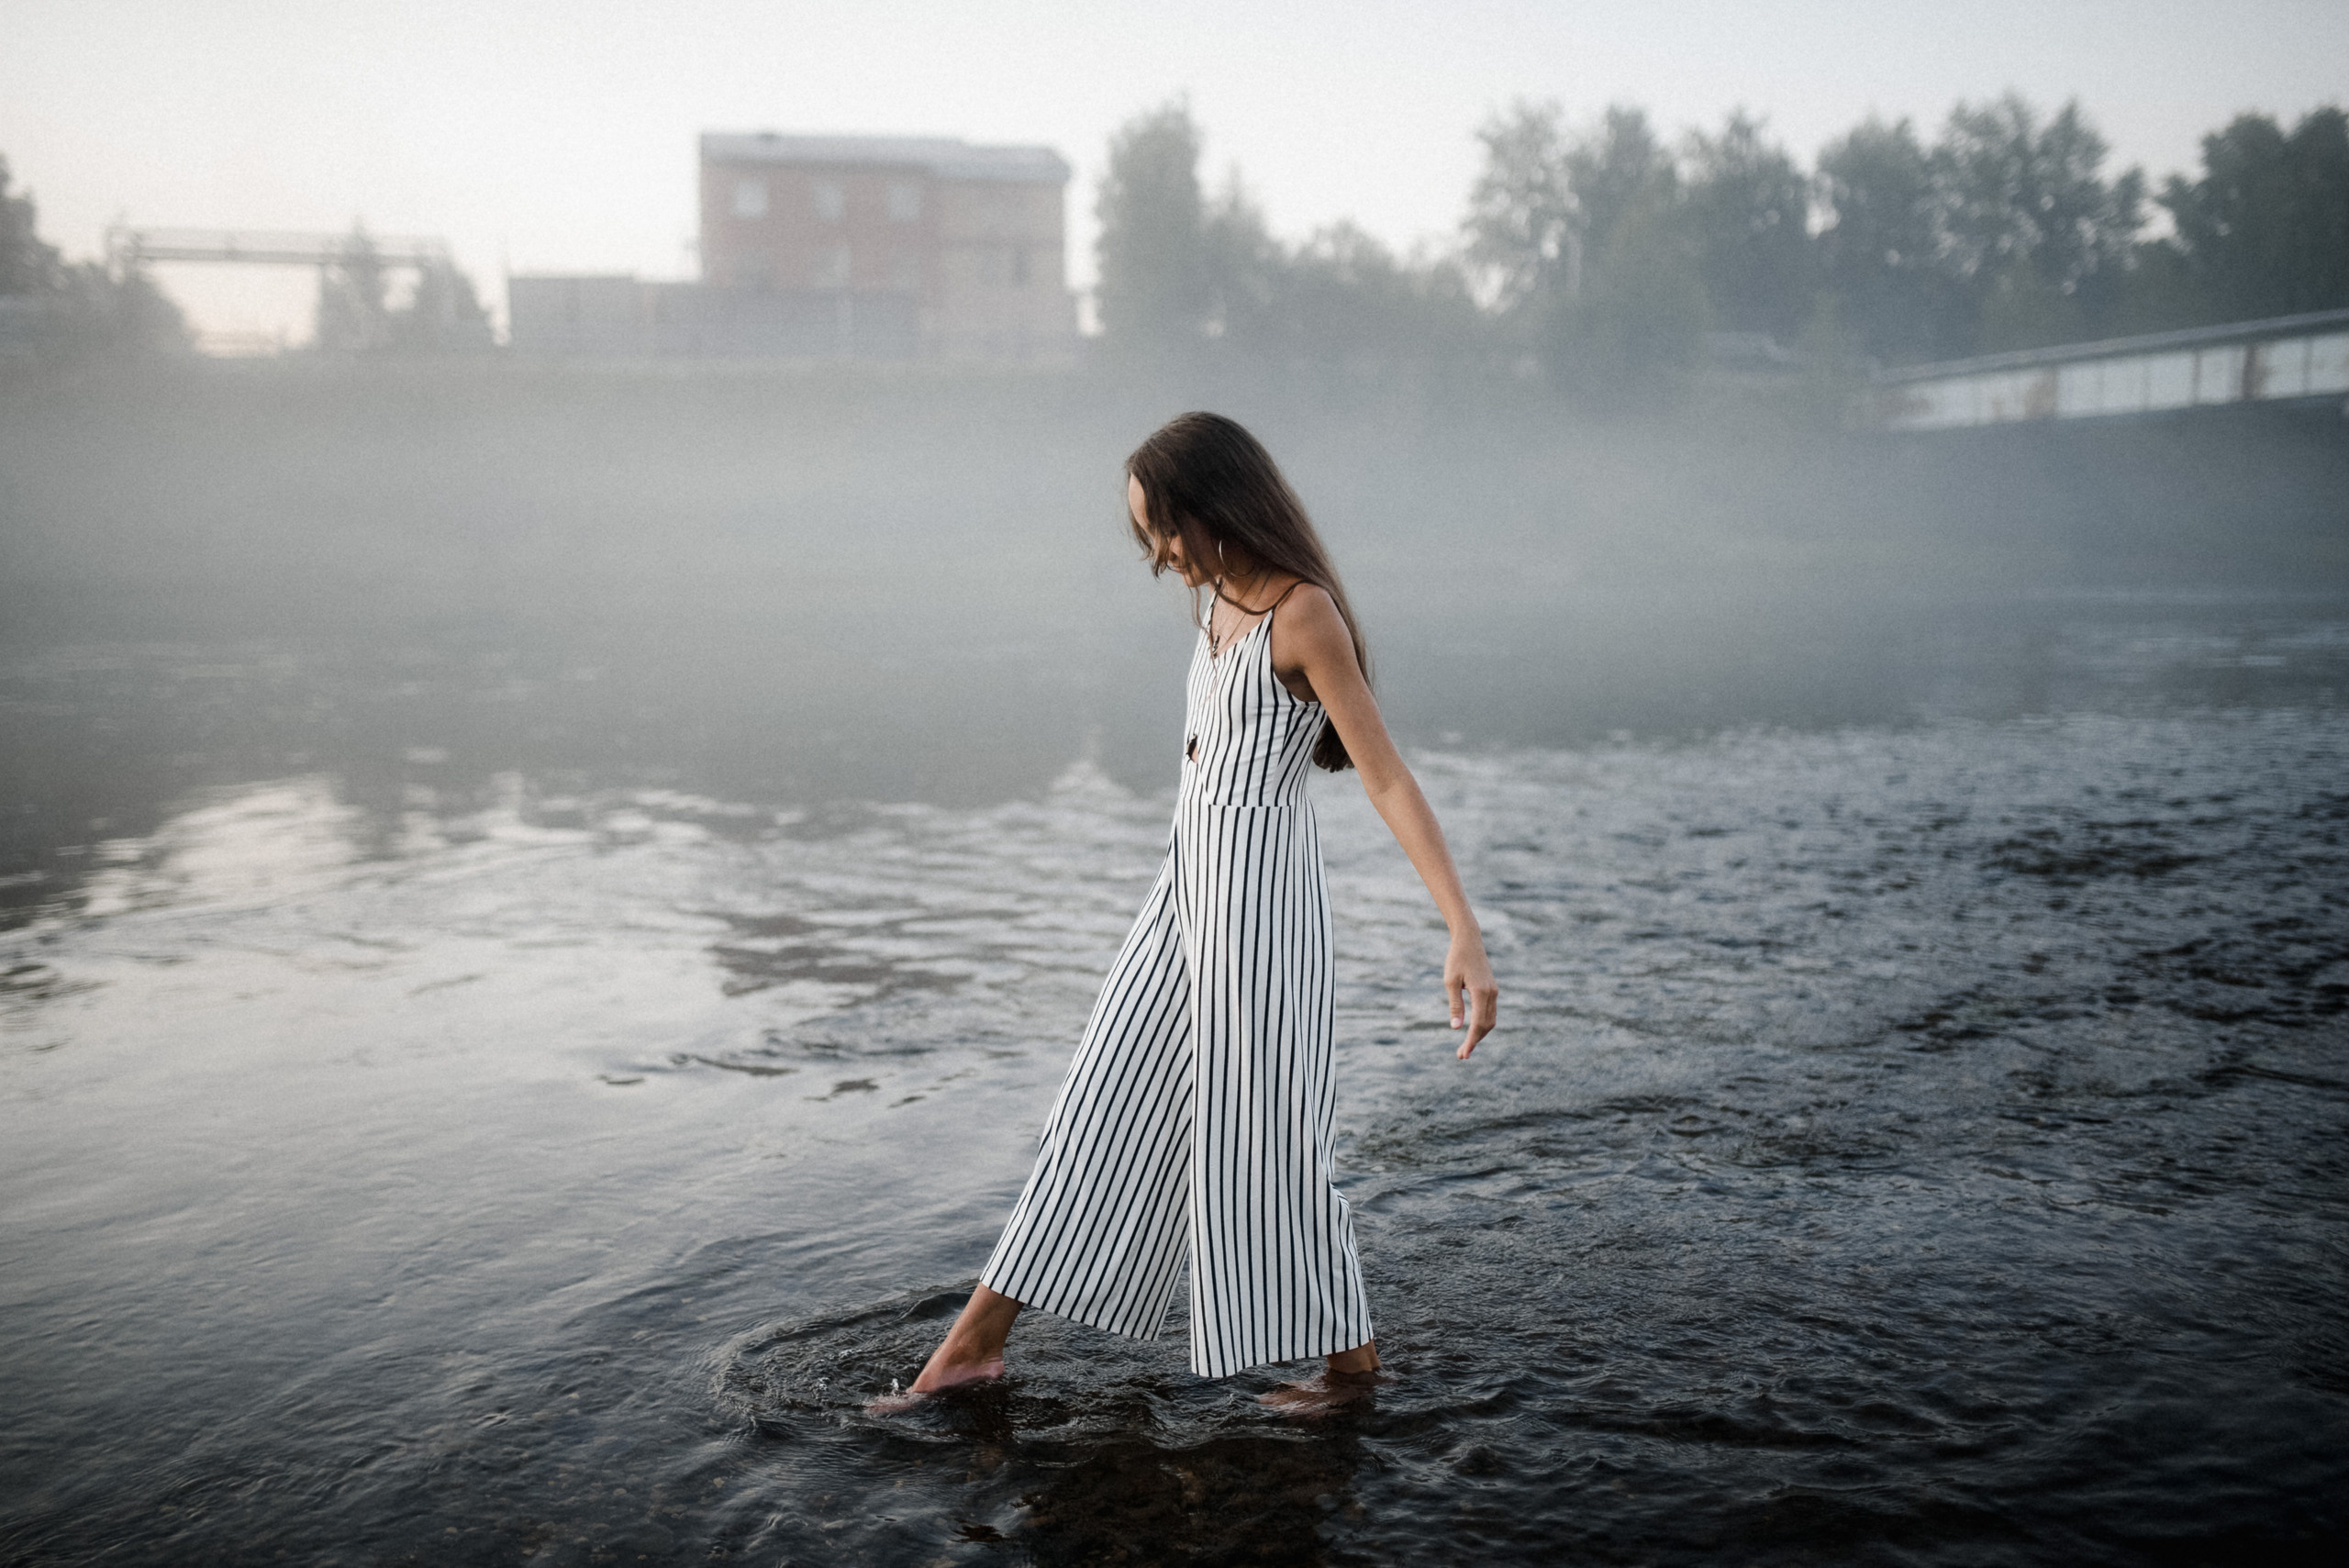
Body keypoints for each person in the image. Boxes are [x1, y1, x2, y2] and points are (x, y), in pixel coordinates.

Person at [891, 411, 1498, 1413]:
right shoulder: (1214, 599)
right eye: (1149, 537)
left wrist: (1462, 929)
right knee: (1099, 1102)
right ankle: (973, 1342)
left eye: (1168, 528)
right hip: (1182, 894)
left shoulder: (1304, 616)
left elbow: (1384, 777)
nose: (1162, 554)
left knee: (1265, 1134)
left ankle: (1350, 1370)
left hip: (1261, 909)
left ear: (1218, 503)